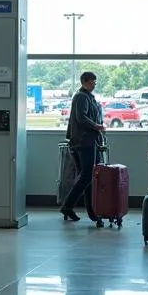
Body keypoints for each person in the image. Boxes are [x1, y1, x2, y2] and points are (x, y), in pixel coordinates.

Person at [59, 72, 105, 223]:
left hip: (85, 141)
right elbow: (81, 117)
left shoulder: (87, 97)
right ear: (85, 82)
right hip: (84, 142)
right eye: (93, 82)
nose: (94, 84)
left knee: (86, 177)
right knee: (86, 176)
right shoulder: (81, 97)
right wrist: (96, 126)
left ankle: (91, 211)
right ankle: (68, 205)